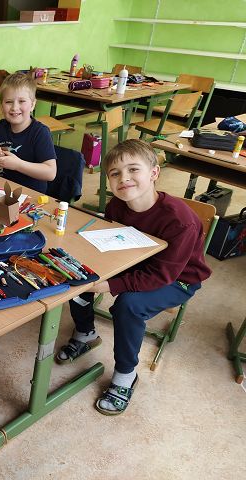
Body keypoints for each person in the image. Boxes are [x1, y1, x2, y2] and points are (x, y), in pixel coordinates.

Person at [55, 139, 212, 415]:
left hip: (178, 279)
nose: (124, 178)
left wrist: (110, 284)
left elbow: (162, 274)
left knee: (128, 305)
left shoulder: (180, 221)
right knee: (79, 275)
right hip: (134, 263)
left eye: (133, 169)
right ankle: (86, 333)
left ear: (154, 173)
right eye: (115, 173)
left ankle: (126, 374)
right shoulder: (117, 206)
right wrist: (93, 275)